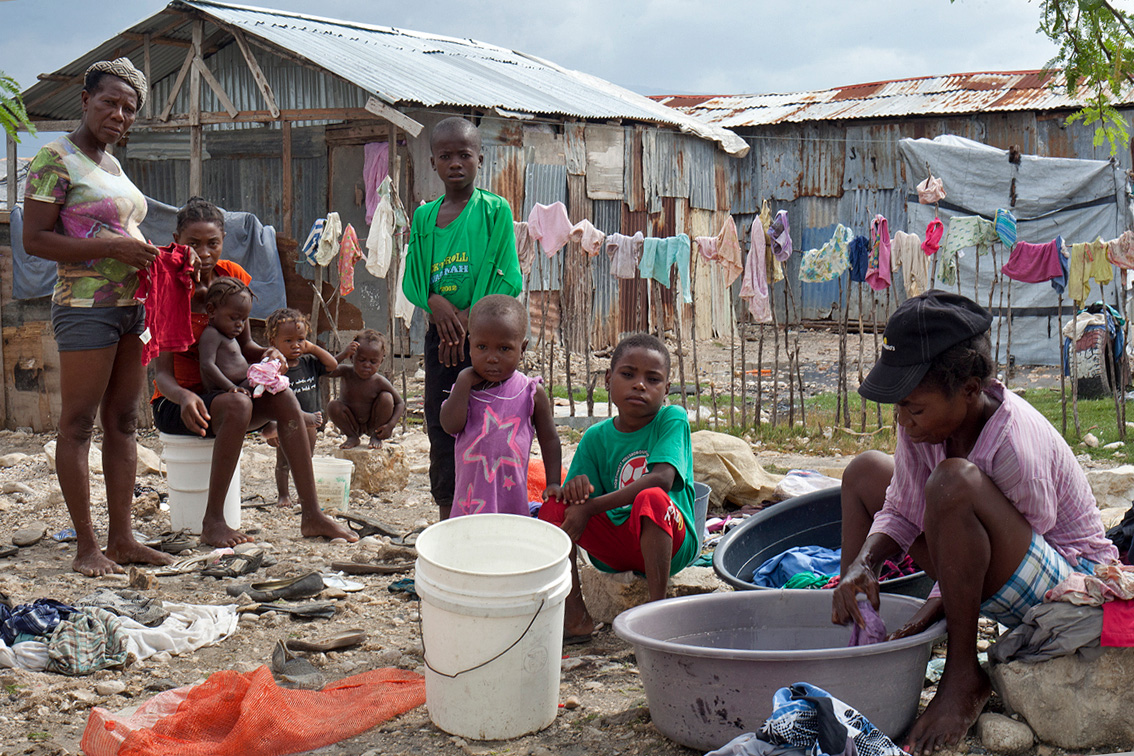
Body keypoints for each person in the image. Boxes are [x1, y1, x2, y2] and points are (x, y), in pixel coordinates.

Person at [832, 291, 1118, 755]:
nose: (904, 422)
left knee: (952, 483)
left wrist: (941, 597)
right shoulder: (923, 425)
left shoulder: (1013, 445)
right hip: (993, 558)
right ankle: (851, 631)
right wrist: (864, 562)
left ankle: (964, 673)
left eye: (915, 409)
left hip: (1067, 585)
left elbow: (1018, 542)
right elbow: (901, 508)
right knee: (865, 470)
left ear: (968, 389)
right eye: (899, 408)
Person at [22, 58, 174, 577]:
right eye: (109, 102)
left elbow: (121, 230)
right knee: (79, 424)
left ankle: (123, 538)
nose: (118, 114)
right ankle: (87, 545)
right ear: (84, 100)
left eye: (129, 109)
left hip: (131, 309)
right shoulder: (53, 158)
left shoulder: (110, 165)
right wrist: (111, 245)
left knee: (125, 421)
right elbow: (34, 239)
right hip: (85, 309)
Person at [151, 197, 356, 547]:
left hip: (228, 395)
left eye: (212, 243)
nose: (203, 252)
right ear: (176, 239)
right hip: (180, 404)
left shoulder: (231, 278)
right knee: (238, 405)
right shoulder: (169, 288)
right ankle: (214, 520)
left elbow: (247, 346)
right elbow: (162, 375)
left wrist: (270, 353)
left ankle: (313, 515)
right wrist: (184, 396)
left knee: (282, 393)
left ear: (223, 241)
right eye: (193, 243)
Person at [539, 333, 697, 642]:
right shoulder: (595, 437)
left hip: (669, 540)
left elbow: (662, 478)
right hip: (615, 548)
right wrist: (575, 489)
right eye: (628, 374)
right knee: (552, 508)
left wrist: (593, 506)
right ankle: (575, 617)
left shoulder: (671, 419)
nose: (639, 384)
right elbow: (579, 502)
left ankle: (657, 616)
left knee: (652, 498)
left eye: (652, 379)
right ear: (609, 380)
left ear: (666, 390)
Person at [402, 116, 522, 520]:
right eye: (446, 156)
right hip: (441, 338)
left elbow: (503, 269)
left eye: (464, 154)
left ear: (480, 159)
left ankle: (495, 507)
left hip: (484, 337)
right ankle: (446, 511)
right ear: (433, 162)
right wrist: (434, 302)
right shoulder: (424, 218)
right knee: (443, 422)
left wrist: (471, 319)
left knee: (492, 420)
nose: (455, 162)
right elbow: (415, 275)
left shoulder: (494, 211)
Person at [439, 294, 561, 517]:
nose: (492, 357)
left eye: (504, 349)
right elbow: (450, 426)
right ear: (470, 345)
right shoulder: (466, 389)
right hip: (470, 501)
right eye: (482, 347)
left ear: (522, 348)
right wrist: (465, 380)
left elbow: (550, 439)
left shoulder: (530, 392)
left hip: (510, 497)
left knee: (508, 543)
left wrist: (553, 482)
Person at [262, 308, 345, 507]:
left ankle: (303, 494)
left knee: (306, 461)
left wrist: (312, 348)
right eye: (288, 341)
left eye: (300, 340)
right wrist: (272, 426)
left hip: (309, 426)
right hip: (285, 424)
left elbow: (333, 364)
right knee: (283, 463)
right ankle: (283, 496)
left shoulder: (308, 362)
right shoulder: (275, 368)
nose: (295, 345)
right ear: (274, 343)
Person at [326, 330, 405, 450]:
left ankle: (376, 437)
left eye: (373, 362)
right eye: (362, 360)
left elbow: (400, 403)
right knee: (333, 406)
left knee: (387, 398)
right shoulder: (346, 372)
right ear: (352, 358)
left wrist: (391, 425)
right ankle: (352, 436)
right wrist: (343, 354)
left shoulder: (379, 381)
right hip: (351, 421)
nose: (367, 365)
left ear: (380, 362)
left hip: (373, 423)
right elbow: (327, 370)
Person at [198, 278, 257, 395]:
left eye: (244, 319)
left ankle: (300, 413)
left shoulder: (228, 335)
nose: (240, 324)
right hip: (222, 390)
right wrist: (230, 387)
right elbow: (207, 365)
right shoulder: (212, 334)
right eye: (234, 318)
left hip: (240, 384)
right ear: (211, 311)